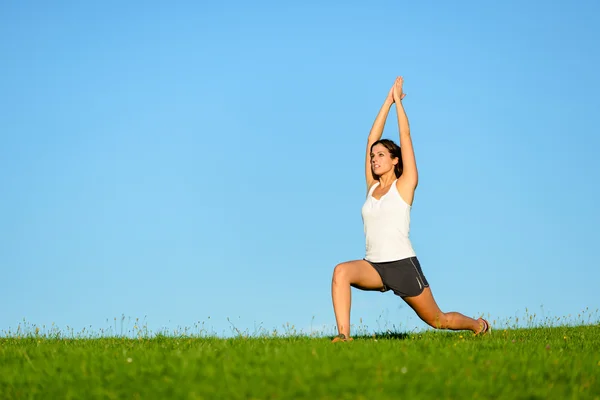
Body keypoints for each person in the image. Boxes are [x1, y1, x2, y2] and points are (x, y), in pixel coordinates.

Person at [330, 76, 491, 342]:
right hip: (374, 266)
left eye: (380, 155)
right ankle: (344, 337)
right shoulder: (371, 188)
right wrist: (386, 100)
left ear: (395, 160)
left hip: (402, 265)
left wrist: (398, 105)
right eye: (372, 157)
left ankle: (477, 325)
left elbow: (405, 136)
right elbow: (371, 137)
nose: (374, 160)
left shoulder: (405, 185)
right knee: (341, 271)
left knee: (439, 320)